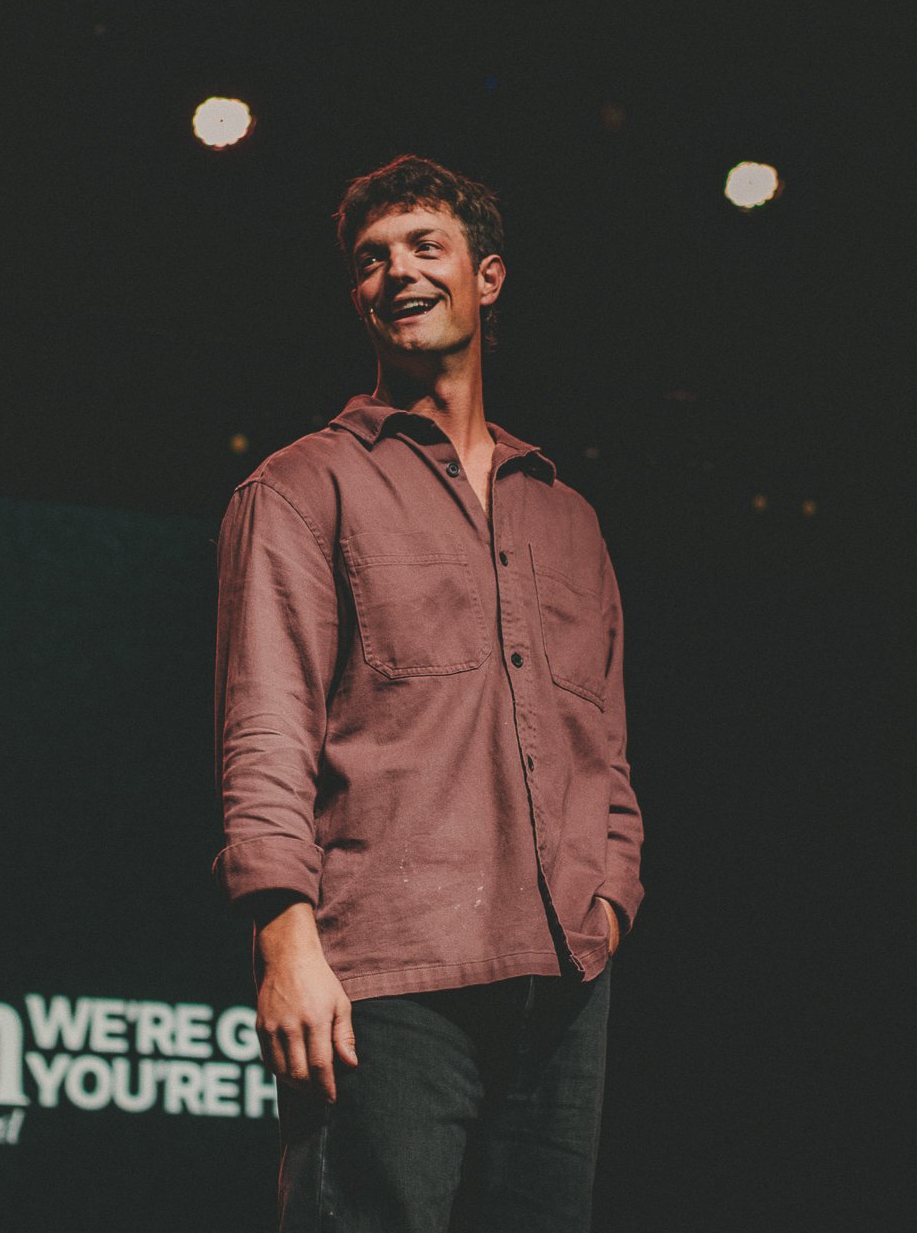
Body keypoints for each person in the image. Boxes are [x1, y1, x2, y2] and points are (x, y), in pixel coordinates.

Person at [213, 155, 644, 1232]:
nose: (394, 271)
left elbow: (609, 754)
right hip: (388, 983)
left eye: (422, 246)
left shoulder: (569, 517)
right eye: (370, 258)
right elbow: (264, 728)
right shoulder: (302, 486)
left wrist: (613, 900)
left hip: (562, 982)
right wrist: (283, 943)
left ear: (486, 278)